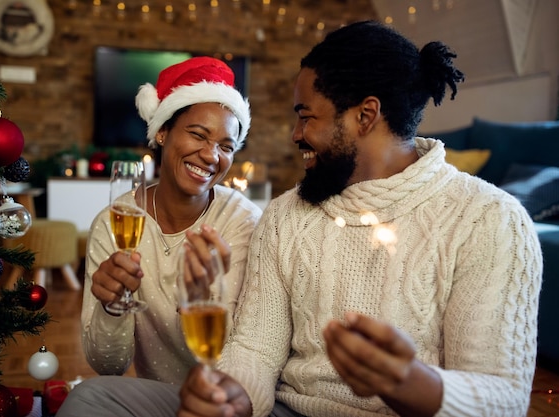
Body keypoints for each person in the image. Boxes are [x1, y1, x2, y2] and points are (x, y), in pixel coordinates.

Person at [57, 21, 542, 417]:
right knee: (94, 400)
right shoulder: (287, 215)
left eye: (306, 116)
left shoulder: (490, 221)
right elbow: (254, 352)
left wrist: (410, 382)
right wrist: (233, 398)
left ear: (365, 116)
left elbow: (503, 399)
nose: (294, 134)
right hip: (285, 411)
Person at [70, 57, 262, 386]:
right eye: (198, 135)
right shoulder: (114, 222)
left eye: (226, 146)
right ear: (162, 132)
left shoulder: (242, 222)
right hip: (157, 395)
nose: (211, 156)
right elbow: (109, 366)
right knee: (90, 393)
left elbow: (244, 359)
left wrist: (201, 298)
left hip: (224, 396)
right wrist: (111, 308)